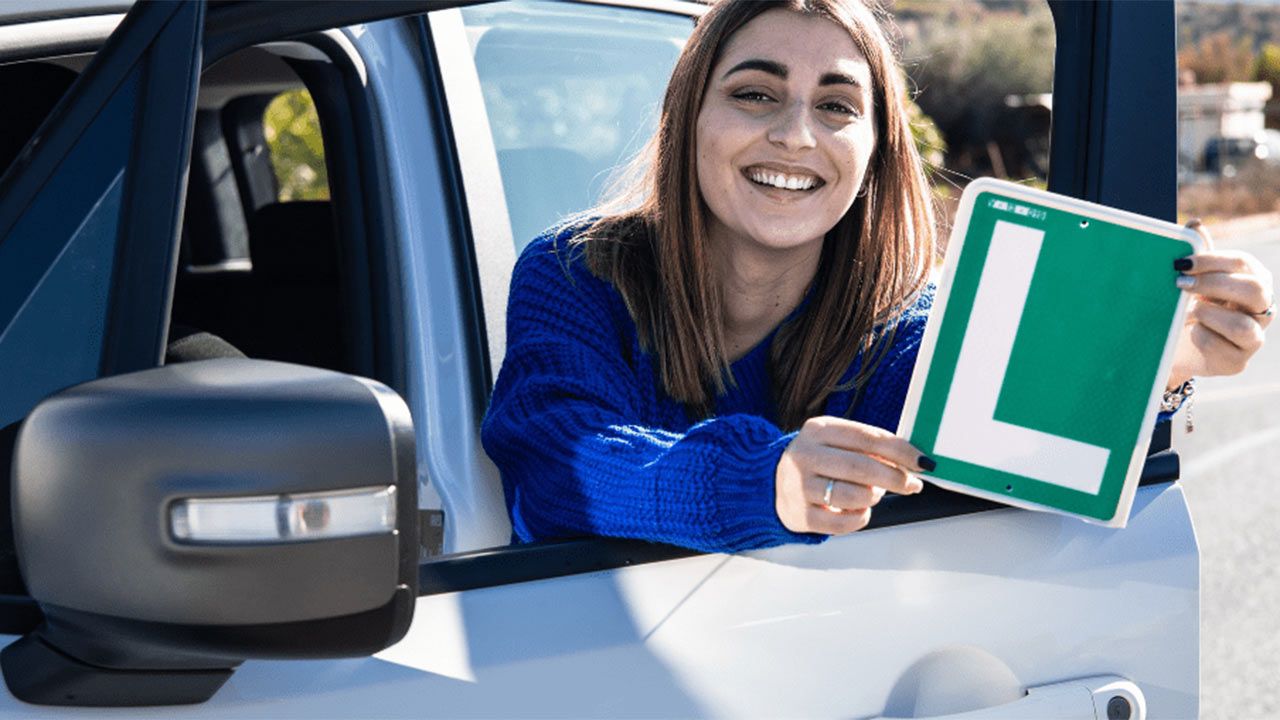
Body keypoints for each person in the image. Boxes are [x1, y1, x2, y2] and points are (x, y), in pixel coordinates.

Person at [481, 0, 1274, 553]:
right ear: (687, 119)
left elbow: (994, 456)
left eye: (836, 106)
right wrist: (768, 482)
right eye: (754, 94)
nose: (795, 135)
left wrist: (1155, 360)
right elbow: (562, 467)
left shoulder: (909, 329)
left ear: (875, 152)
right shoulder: (576, 274)